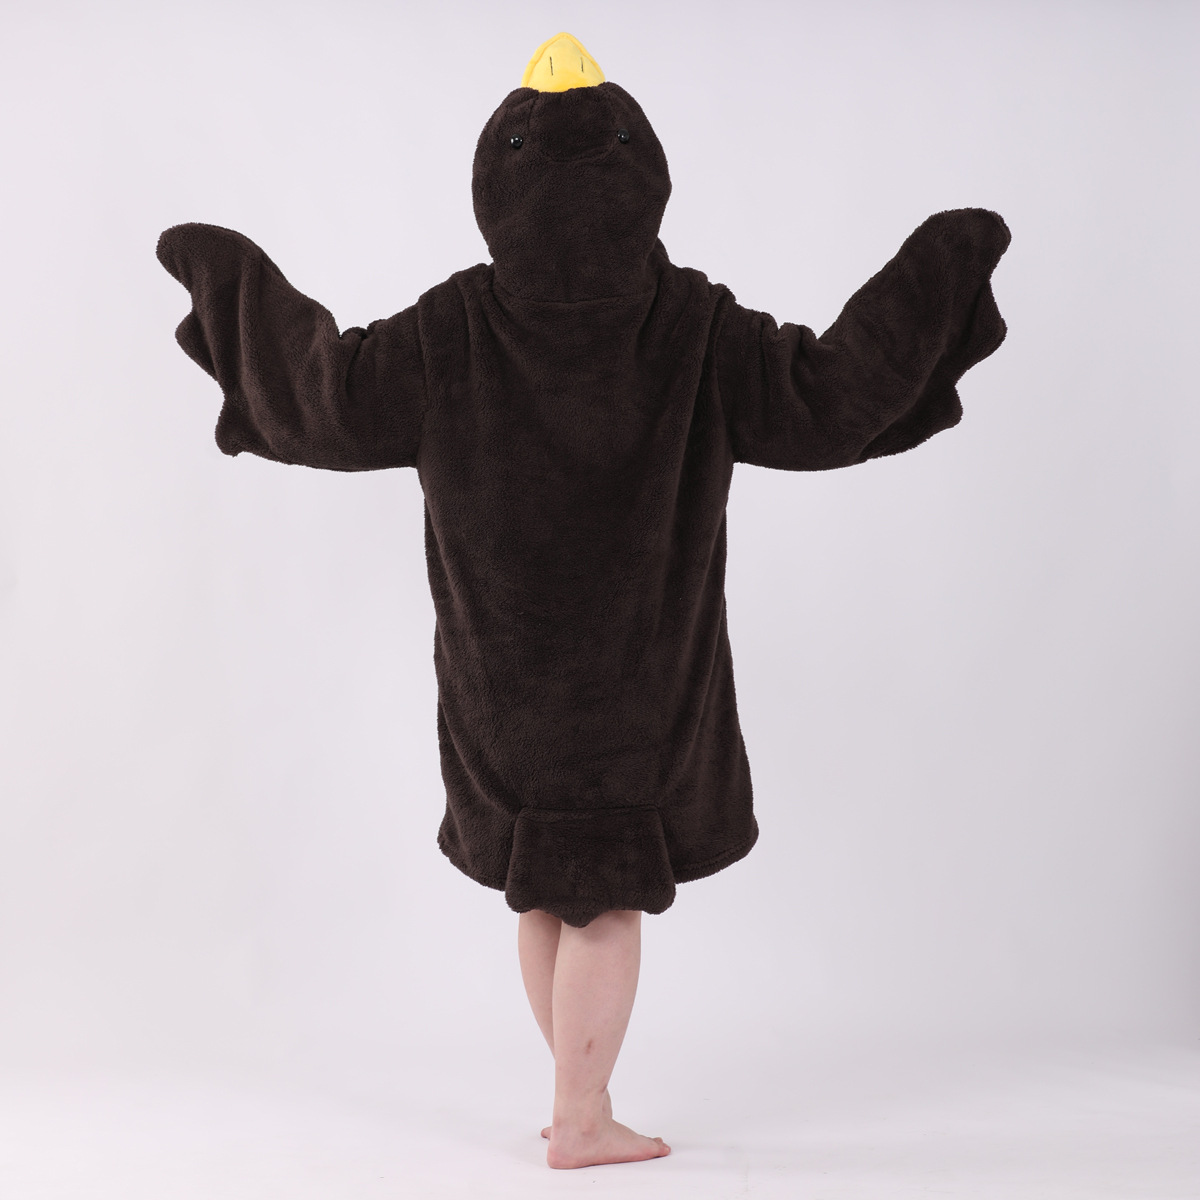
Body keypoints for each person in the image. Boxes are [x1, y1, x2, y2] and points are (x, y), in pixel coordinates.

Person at [156, 31, 1008, 1170]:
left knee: (542, 894)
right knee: (605, 900)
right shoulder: (697, 328)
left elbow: (328, 394)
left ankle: (572, 1098)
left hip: (500, 697)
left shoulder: (452, 328)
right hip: (638, 703)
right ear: (641, 173)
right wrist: (938, 275)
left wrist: (233, 286)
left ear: (494, 186)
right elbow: (828, 395)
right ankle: (585, 1118)